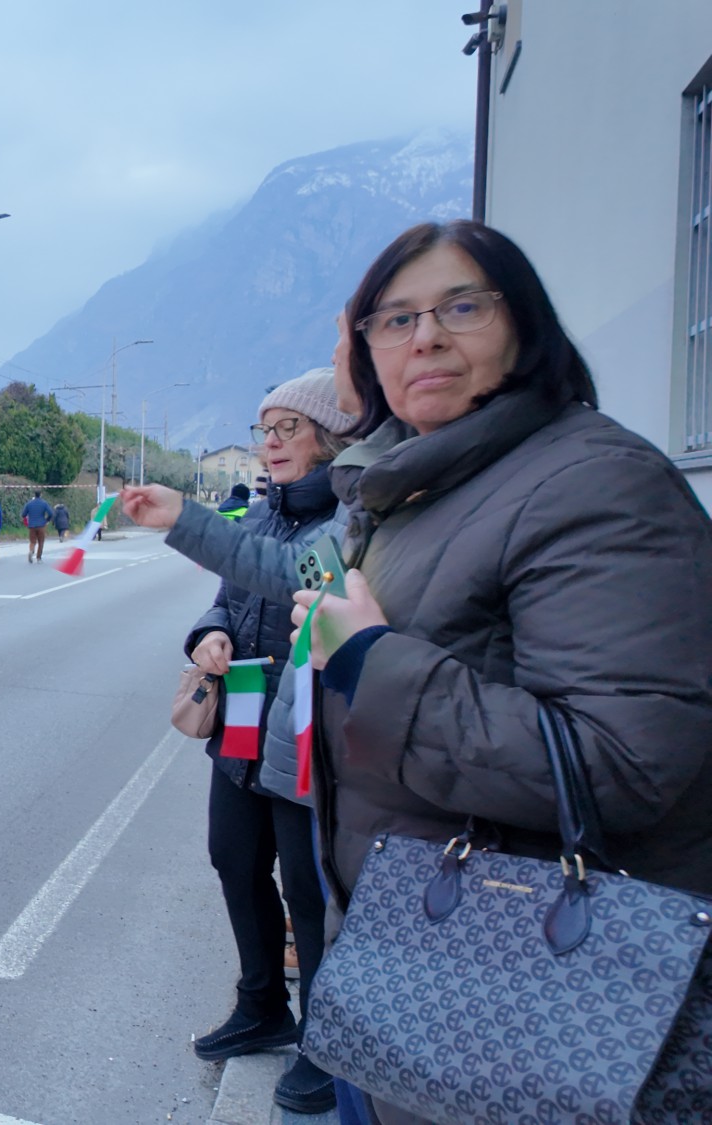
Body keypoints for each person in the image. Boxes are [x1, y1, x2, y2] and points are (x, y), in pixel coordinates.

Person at [280, 223, 712, 1125]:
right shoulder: (421, 485)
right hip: (405, 960)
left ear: (525, 326)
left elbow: (620, 764)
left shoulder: (596, 483)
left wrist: (366, 659)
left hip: (527, 993)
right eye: (395, 319)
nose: (426, 338)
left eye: (462, 306)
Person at [176, 370, 353, 1116]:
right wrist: (209, 633)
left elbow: (303, 591)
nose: (271, 444)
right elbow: (225, 598)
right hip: (243, 720)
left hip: (303, 730)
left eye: (288, 429)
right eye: (264, 430)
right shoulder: (257, 515)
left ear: (329, 438)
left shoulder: (345, 524)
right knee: (234, 859)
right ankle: (262, 1005)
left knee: (308, 891)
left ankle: (323, 1038)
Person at [21, 490, 52, 563]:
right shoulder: (44, 503)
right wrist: (47, 520)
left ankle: (31, 551)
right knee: (41, 542)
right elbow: (51, 513)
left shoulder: (29, 503)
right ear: (41, 494)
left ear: (34, 495)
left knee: (32, 541)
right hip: (41, 525)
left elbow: (23, 514)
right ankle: (38, 558)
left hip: (31, 525)